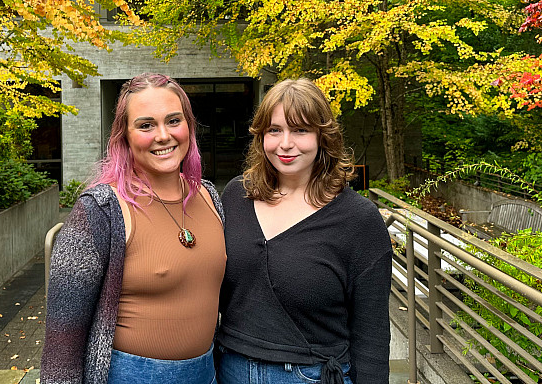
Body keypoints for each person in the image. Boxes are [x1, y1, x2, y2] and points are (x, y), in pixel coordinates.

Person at [41, 73, 226, 384]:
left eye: (173, 120)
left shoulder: (209, 196)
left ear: (189, 127)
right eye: (146, 125)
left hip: (207, 373)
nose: (163, 135)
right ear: (123, 136)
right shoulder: (99, 211)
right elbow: (63, 337)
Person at [216, 78, 392, 384]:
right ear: (261, 136)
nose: (286, 143)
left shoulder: (358, 220)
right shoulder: (236, 196)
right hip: (230, 368)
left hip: (308, 375)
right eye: (275, 130)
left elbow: (372, 331)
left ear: (323, 137)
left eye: (300, 130)